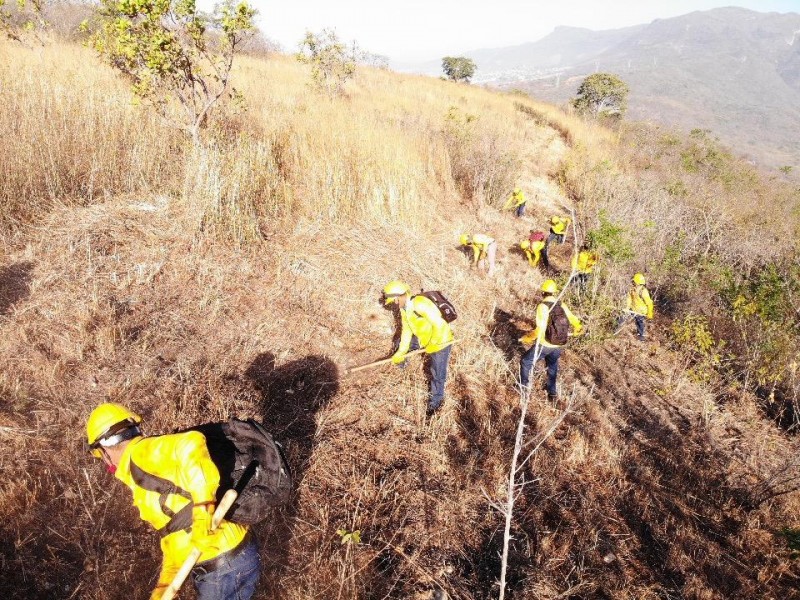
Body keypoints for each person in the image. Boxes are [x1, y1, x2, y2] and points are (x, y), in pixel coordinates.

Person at [85, 403, 260, 600]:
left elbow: (191, 443)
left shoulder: (142, 454)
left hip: (225, 565)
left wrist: (204, 511)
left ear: (104, 450)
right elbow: (175, 539)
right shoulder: (139, 478)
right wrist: (163, 589)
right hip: (218, 568)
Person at [383, 281, 454, 417]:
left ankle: (436, 403)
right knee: (403, 343)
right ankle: (402, 364)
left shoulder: (420, 304)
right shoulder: (405, 310)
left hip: (441, 341)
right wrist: (401, 352)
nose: (394, 304)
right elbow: (407, 332)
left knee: (437, 374)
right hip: (426, 338)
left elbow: (441, 326)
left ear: (399, 297)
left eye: (394, 301)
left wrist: (434, 343)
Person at [519, 279, 582, 401]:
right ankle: (552, 393)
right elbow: (573, 319)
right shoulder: (561, 304)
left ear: (543, 293)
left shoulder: (542, 306)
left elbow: (539, 329)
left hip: (545, 344)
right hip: (559, 344)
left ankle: (523, 388)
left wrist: (527, 338)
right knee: (552, 366)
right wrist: (579, 327)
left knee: (526, 361)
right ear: (554, 293)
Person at [616, 272, 654, 340]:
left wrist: (650, 313)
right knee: (622, 317)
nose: (633, 282)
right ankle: (615, 330)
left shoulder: (643, 291)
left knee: (639, 323)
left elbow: (649, 303)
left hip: (641, 312)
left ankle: (641, 337)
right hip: (632, 309)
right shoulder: (632, 289)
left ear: (637, 282)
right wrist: (626, 308)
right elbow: (629, 299)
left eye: (634, 281)